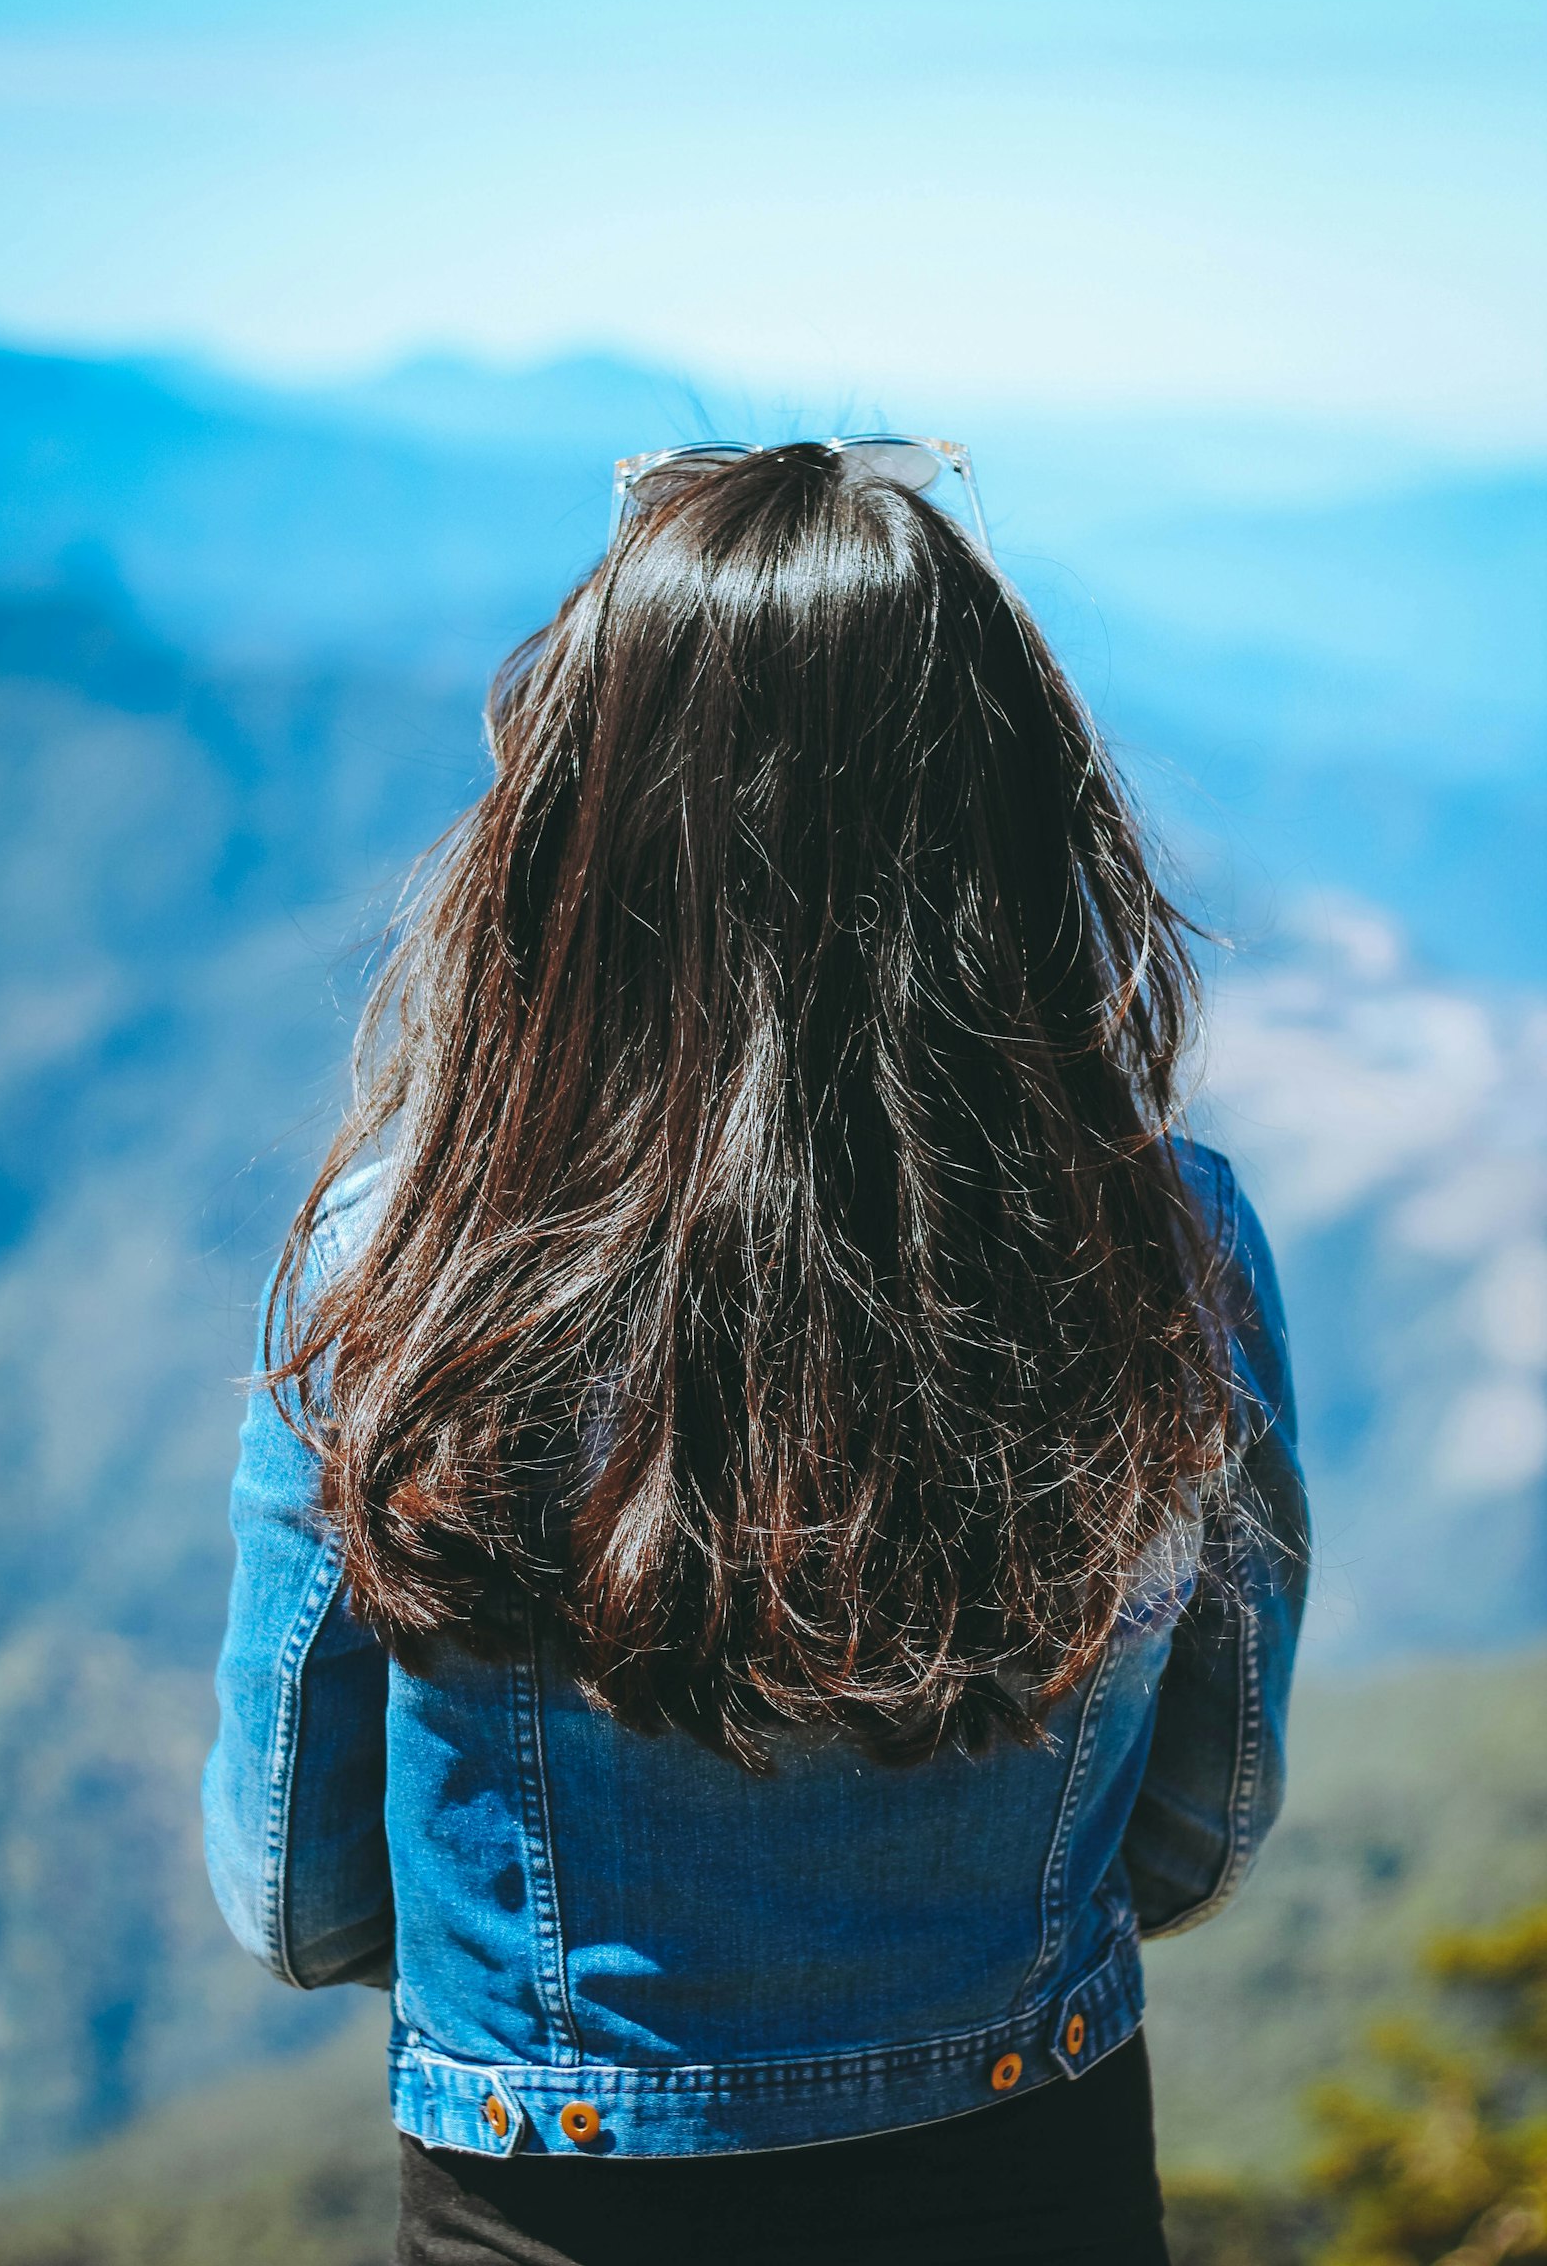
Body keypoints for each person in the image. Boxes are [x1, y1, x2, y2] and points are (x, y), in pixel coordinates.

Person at [204, 438, 1307, 2266]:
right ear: (1014, 818)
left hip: (539, 2199)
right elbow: (1202, 1832)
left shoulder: (397, 1258)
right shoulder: (1165, 1242)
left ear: (575, 818)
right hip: (1036, 2178)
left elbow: (299, 1900)